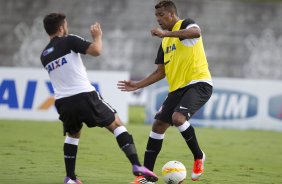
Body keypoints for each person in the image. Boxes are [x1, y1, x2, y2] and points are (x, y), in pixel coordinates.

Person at [40, 13, 158, 184]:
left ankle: (70, 177)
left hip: (63, 101)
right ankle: (137, 165)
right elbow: (96, 51)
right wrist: (98, 37)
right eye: (65, 25)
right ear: (61, 28)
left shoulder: (44, 55)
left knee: (73, 134)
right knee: (117, 124)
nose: (67, 28)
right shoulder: (69, 40)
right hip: (83, 95)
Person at [118, 1, 213, 183]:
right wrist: (138, 85)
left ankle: (199, 156)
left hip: (199, 83)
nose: (158, 20)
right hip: (177, 89)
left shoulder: (185, 25)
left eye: (161, 15)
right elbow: (160, 72)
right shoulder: (164, 42)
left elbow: (196, 32)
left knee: (178, 119)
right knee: (158, 126)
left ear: (171, 14)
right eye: (156, 16)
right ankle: (147, 177)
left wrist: (166, 33)